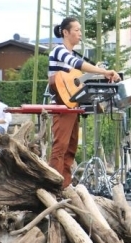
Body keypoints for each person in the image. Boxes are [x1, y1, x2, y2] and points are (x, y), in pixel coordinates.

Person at [48, 17, 121, 188]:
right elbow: (79, 64)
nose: (80, 34)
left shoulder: (71, 54)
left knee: (71, 147)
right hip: (61, 104)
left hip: (72, 103)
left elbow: (76, 79)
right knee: (61, 147)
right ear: (65, 32)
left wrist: (99, 73)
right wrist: (104, 71)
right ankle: (53, 186)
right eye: (77, 30)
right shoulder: (58, 50)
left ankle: (65, 186)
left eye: (80, 30)